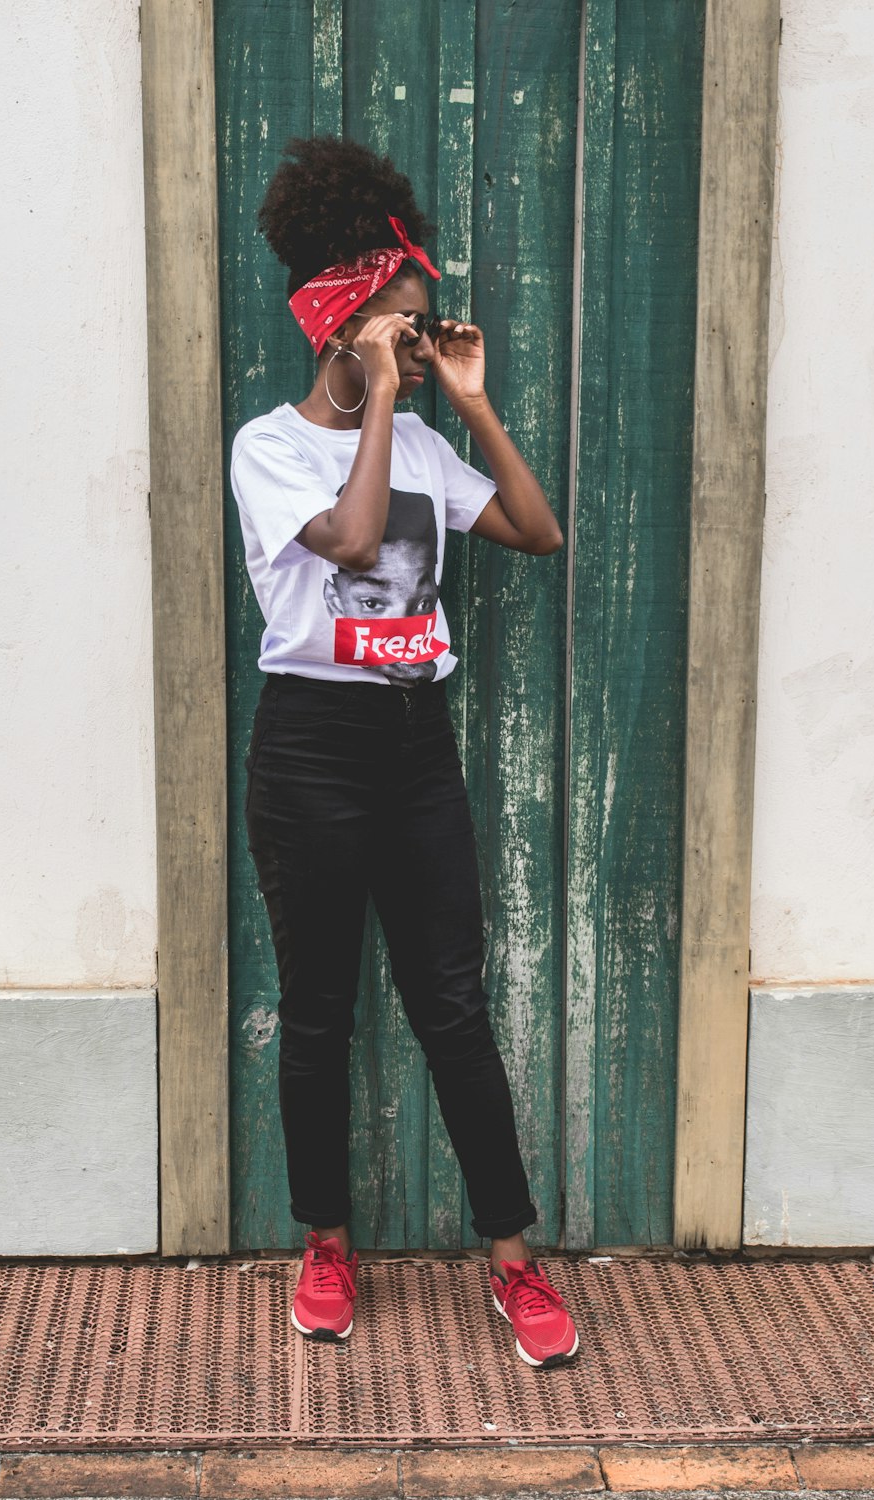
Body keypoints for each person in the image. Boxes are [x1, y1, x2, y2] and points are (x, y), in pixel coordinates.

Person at [229, 135, 579, 1369]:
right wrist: (374, 393)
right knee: (320, 1013)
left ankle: (514, 1263)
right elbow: (352, 533)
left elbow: (538, 532)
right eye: (404, 327)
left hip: (413, 749)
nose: (421, 349)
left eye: (425, 332)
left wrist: (469, 402)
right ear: (343, 323)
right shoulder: (270, 448)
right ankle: (325, 1244)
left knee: (451, 1007)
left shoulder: (432, 439)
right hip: (311, 748)